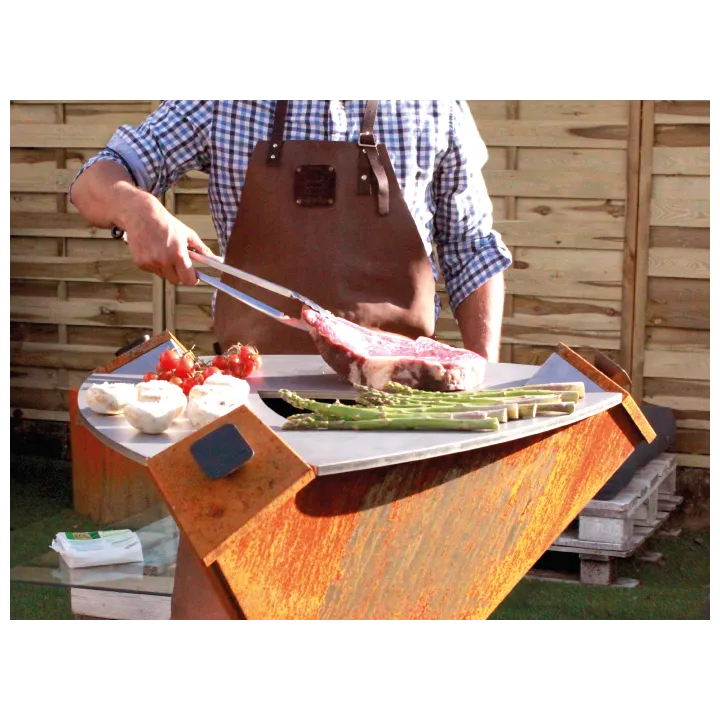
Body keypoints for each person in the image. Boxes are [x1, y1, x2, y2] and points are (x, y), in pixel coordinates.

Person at [70, 98, 513, 621]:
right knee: (212, 612)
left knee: (401, 605)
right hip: (244, 410)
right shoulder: (224, 95)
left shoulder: (431, 102)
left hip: (401, 417)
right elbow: (92, 182)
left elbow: (471, 249)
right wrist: (136, 208)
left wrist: (480, 375)